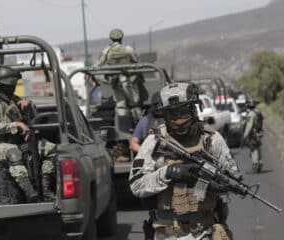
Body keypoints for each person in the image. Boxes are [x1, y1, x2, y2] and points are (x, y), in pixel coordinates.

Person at [129, 82, 239, 240]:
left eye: (184, 112)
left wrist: (210, 181)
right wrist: (169, 172)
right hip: (167, 233)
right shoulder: (154, 142)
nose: (179, 119)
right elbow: (137, 185)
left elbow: (232, 178)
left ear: (194, 110)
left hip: (205, 231)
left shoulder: (211, 139)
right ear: (164, 115)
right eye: (172, 114)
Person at [0, 66, 39, 202]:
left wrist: (27, 107)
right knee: (13, 152)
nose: (13, 89)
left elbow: (34, 117)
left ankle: (46, 190)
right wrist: (16, 125)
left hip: (14, 141)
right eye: (12, 86)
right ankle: (29, 192)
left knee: (45, 148)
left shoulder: (11, 100)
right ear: (5, 86)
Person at [95, 28, 142, 123]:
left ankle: (123, 125)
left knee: (121, 103)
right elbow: (136, 61)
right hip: (128, 81)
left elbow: (98, 65)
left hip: (114, 81)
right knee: (134, 103)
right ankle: (139, 122)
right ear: (121, 37)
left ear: (111, 38)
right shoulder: (128, 49)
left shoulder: (107, 50)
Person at [242, 99, 263, 173]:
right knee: (257, 148)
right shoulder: (257, 112)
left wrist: (245, 135)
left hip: (253, 134)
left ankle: (255, 166)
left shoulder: (251, 114)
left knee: (253, 149)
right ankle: (259, 163)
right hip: (258, 133)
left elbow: (249, 126)